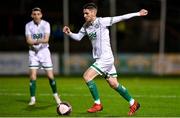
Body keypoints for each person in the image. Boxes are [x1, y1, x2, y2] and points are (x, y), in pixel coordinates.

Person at [63, 3, 148, 116]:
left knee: (87, 76)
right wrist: (69, 33)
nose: (84, 15)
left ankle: (97, 104)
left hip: (106, 57)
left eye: (87, 13)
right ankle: (133, 103)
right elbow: (78, 37)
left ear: (94, 13)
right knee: (113, 83)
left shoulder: (102, 21)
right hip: (102, 58)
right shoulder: (86, 26)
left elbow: (121, 17)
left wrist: (138, 13)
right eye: (83, 13)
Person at [25, 7, 61, 106]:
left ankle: (56, 96)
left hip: (44, 52)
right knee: (32, 76)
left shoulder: (46, 24)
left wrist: (35, 41)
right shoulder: (28, 25)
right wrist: (36, 41)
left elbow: (46, 40)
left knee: (50, 76)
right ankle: (32, 99)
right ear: (32, 15)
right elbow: (28, 40)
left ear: (41, 15)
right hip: (33, 53)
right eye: (34, 14)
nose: (36, 16)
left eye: (38, 14)